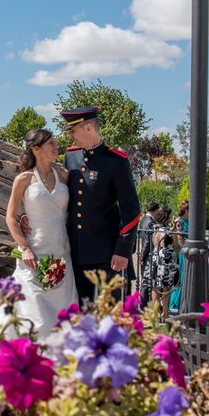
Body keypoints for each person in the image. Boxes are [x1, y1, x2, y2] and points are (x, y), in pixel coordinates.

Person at [1, 128, 78, 339]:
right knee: (34, 316)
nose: (56, 147)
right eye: (51, 144)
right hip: (33, 255)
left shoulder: (63, 175)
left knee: (63, 317)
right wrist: (25, 248)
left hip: (62, 254)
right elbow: (10, 217)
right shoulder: (24, 179)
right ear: (36, 149)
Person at [60, 106, 141, 304]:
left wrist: (123, 250)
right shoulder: (71, 156)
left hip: (108, 253)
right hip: (78, 250)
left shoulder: (116, 161)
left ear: (88, 128)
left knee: (111, 314)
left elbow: (131, 209)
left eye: (73, 131)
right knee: (82, 312)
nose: (71, 136)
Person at [148, 207, 179, 319]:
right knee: (166, 288)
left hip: (156, 259)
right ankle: (165, 313)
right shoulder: (170, 232)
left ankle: (155, 313)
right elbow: (176, 246)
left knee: (155, 287)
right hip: (166, 260)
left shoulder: (155, 229)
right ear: (167, 217)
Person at [138, 201, 161, 306]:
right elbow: (147, 242)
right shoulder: (151, 223)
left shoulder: (143, 220)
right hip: (149, 254)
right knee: (148, 282)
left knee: (146, 280)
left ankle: (144, 304)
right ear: (155, 210)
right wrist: (142, 256)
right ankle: (144, 305)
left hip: (144, 253)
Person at [169, 200, 189, 312]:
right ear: (186, 210)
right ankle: (174, 302)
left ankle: (183, 300)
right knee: (181, 276)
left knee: (186, 276)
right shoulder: (179, 222)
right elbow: (179, 240)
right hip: (183, 251)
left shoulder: (189, 220)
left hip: (188, 250)